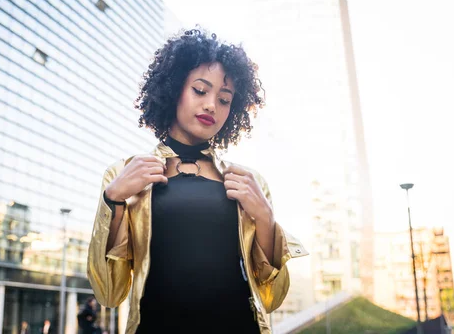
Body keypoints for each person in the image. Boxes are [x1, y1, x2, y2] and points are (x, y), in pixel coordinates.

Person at [87, 28, 308, 334]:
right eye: (200, 91)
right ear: (174, 88)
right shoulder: (125, 174)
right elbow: (109, 291)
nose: (211, 106)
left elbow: (272, 297)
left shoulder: (247, 181)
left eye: (224, 98)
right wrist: (113, 200)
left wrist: (266, 218)